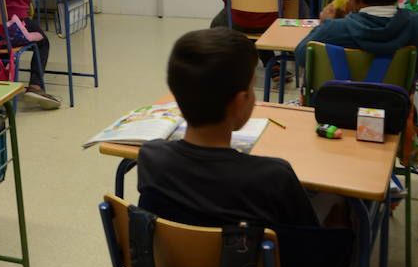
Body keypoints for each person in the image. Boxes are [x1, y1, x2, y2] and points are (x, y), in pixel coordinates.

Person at [137, 28, 319, 229]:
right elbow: (311, 255)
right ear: (240, 101)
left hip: (169, 261)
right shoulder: (274, 177)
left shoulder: (151, 157)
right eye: (251, 88)